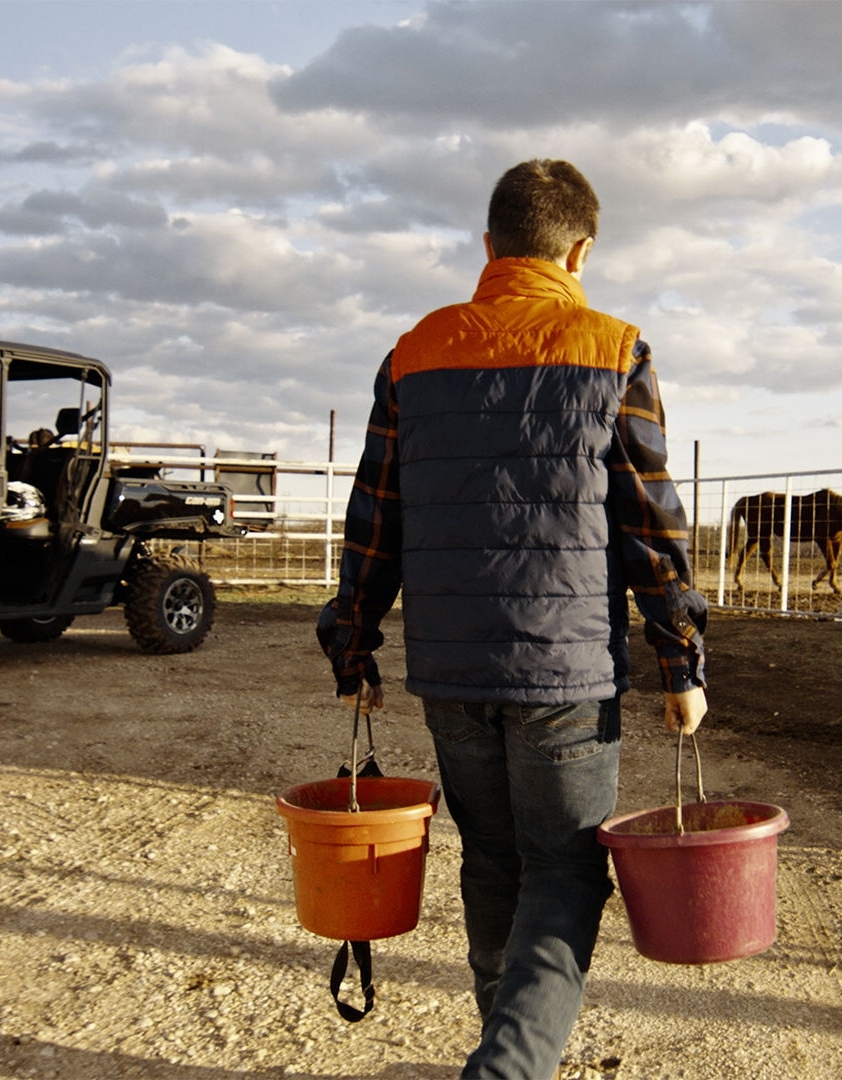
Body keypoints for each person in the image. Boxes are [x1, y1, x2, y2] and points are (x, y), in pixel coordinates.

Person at [317, 158, 709, 1078]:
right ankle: (508, 1068)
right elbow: (650, 522)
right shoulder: (616, 348)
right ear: (580, 252)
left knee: (493, 862)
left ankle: (501, 1043)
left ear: (489, 247)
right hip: (569, 676)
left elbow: (375, 516)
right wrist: (680, 659)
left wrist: (353, 642)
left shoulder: (412, 352)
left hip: (453, 672)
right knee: (565, 873)